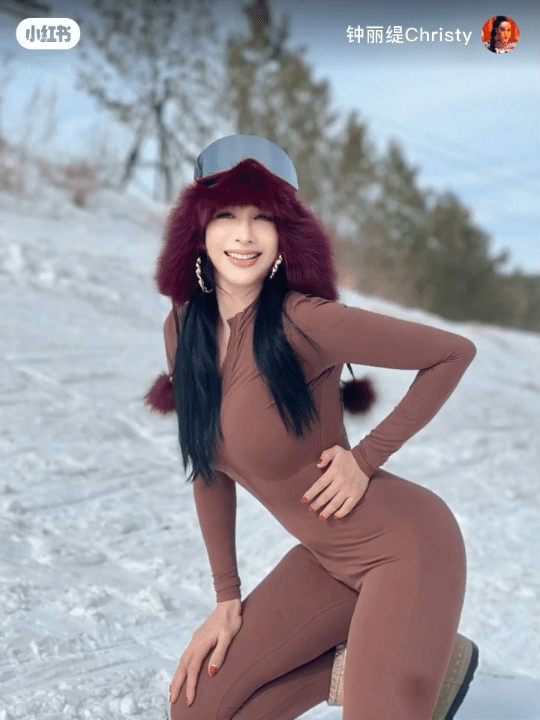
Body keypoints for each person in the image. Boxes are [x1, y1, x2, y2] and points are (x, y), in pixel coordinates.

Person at [145, 135, 479, 720]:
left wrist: (365, 459)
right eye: (226, 216)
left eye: (263, 219)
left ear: (284, 237)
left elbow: (452, 352)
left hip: (405, 548)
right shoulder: (183, 331)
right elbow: (208, 468)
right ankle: (392, 658)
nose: (245, 235)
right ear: (197, 229)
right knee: (197, 708)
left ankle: (406, 655)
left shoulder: (305, 321)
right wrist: (226, 598)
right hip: (326, 561)